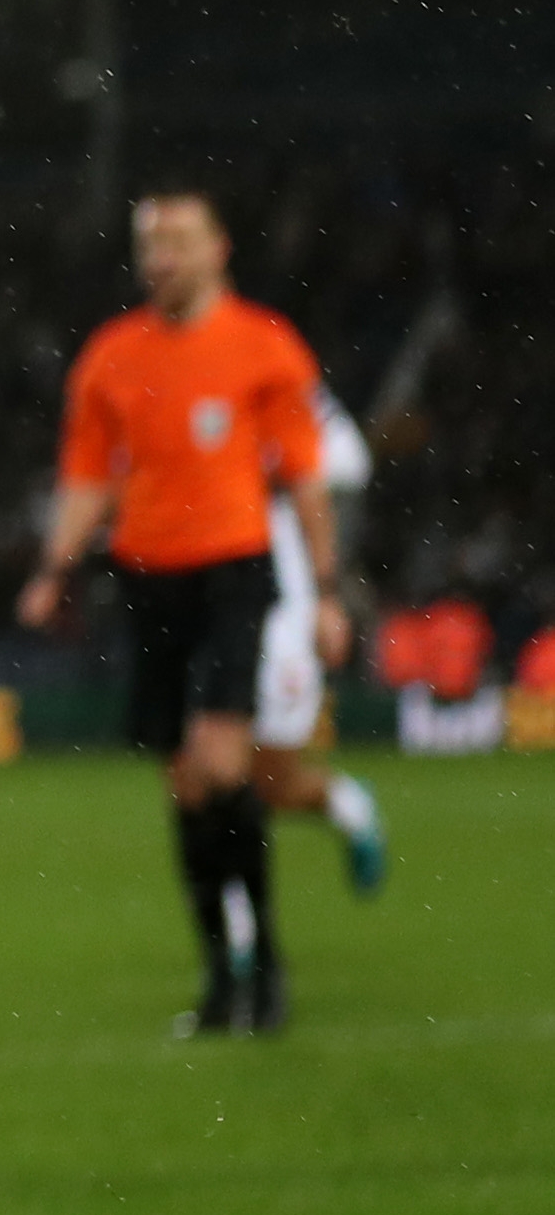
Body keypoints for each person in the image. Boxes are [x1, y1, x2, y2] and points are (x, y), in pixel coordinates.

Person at [16, 194, 339, 1036]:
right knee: (185, 782)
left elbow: (303, 474)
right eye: (149, 243)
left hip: (234, 568)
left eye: (177, 241)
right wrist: (55, 567)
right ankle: (218, 976)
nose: (160, 257)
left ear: (218, 248)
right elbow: (87, 473)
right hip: (146, 574)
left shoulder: (264, 345)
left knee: (222, 762)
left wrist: (331, 590)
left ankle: (263, 962)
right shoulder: (112, 357)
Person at [249, 379, 389, 896]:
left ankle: (349, 805)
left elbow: (350, 462)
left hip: (283, 618)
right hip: (206, 614)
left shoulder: (276, 377)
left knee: (270, 784)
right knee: (205, 780)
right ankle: (236, 934)